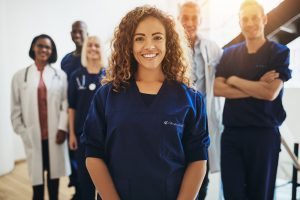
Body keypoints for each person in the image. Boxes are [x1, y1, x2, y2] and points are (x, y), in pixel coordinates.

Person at [82, 6, 209, 200]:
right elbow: (93, 154)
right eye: (139, 38)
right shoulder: (107, 96)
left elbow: (198, 159)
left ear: (169, 43)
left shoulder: (191, 100)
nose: (149, 46)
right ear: (128, 44)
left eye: (157, 37)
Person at [214, 1, 291, 199]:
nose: (250, 23)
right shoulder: (230, 54)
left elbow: (270, 93)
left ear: (264, 19)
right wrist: (258, 86)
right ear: (239, 23)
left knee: (260, 195)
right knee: (233, 194)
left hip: (263, 136)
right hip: (232, 136)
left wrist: (234, 80)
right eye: (245, 19)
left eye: (255, 17)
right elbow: (217, 88)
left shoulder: (279, 52)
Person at [11, 34, 70, 200]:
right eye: (40, 46)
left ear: (52, 51)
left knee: (54, 178)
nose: (44, 50)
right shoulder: (19, 76)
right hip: (32, 135)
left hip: (54, 135)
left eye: (48, 47)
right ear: (33, 48)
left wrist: (61, 128)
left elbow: (65, 104)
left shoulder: (60, 75)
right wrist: (23, 132)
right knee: (36, 182)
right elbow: (15, 109)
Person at [178, 1, 224, 199]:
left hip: (202, 121)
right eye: (185, 17)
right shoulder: (170, 45)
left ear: (200, 19)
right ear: (179, 19)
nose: (189, 22)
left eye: (194, 17)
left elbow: (225, 76)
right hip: (177, 121)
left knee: (200, 174)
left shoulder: (211, 47)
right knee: (178, 171)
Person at [68, 36, 105, 200]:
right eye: (90, 45)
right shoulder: (76, 76)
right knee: (85, 180)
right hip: (82, 136)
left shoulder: (109, 75)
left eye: (97, 45)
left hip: (105, 136)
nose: (93, 48)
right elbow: (72, 107)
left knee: (105, 181)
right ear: (85, 49)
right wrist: (71, 134)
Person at [61, 20, 88, 199]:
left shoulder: (92, 57)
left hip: (89, 113)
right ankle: (78, 190)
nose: (76, 34)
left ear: (87, 33)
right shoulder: (66, 60)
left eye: (80, 31)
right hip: (70, 112)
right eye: (73, 31)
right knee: (73, 155)